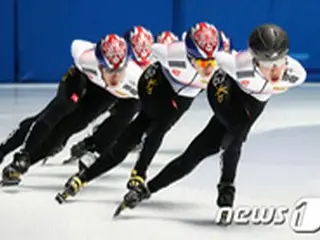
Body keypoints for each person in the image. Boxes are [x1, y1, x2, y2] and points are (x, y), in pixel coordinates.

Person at [114, 23, 307, 218]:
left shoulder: (295, 73)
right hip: (225, 95)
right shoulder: (237, 66)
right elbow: (209, 57)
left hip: (249, 109)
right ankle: (226, 188)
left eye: (279, 62)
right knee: (234, 134)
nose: (275, 71)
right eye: (266, 65)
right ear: (255, 60)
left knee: (194, 155)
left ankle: (145, 190)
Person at [55, 22, 231, 203]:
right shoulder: (171, 54)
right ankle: (83, 178)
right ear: (189, 56)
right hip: (156, 85)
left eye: (212, 61)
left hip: (182, 98)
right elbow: (147, 53)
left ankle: (139, 172)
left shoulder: (223, 63)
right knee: (129, 138)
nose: (208, 68)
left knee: (159, 127)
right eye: (202, 62)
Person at [0, 33, 143, 186]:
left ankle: (20, 167)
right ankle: (16, 153)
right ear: (99, 64)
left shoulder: (136, 80)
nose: (115, 77)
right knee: (61, 108)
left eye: (119, 71)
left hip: (105, 94)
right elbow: (76, 43)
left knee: (65, 131)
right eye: (109, 71)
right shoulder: (84, 57)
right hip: (81, 78)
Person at [61, 25, 154, 167]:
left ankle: (94, 143)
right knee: (87, 114)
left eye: (143, 64)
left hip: (128, 92)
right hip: (107, 86)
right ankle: (70, 136)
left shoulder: (148, 68)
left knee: (131, 111)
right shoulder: (107, 60)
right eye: (135, 62)